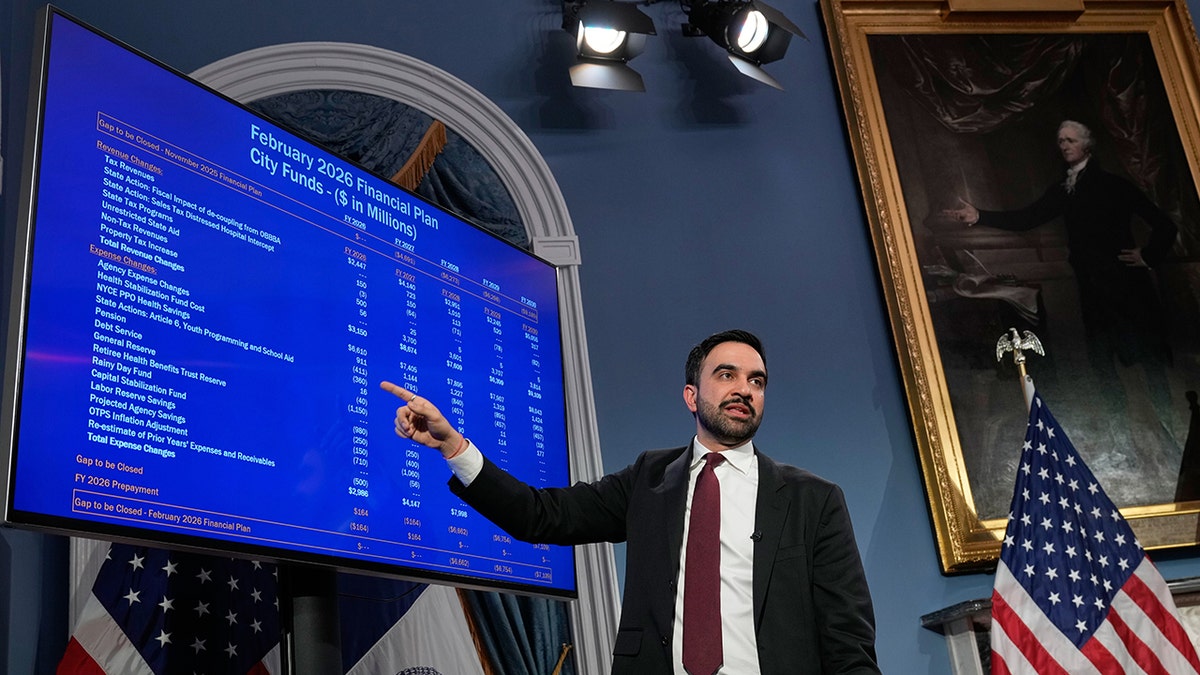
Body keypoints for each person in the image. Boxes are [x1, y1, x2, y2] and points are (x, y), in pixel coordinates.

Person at [381, 329, 880, 675]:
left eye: (757, 381)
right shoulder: (648, 479)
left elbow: (849, 642)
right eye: (727, 375)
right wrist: (454, 447)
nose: (744, 390)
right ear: (691, 395)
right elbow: (541, 516)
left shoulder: (814, 500)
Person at [943, 119, 1178, 368]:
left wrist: (1149, 255)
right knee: (1103, 361)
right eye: (1061, 141)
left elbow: (1165, 225)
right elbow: (1027, 218)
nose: (1064, 145)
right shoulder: (1063, 189)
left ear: (1087, 146)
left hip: (1126, 282)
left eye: (1071, 140)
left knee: (1149, 360)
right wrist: (979, 215)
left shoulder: (1115, 185)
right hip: (1090, 284)